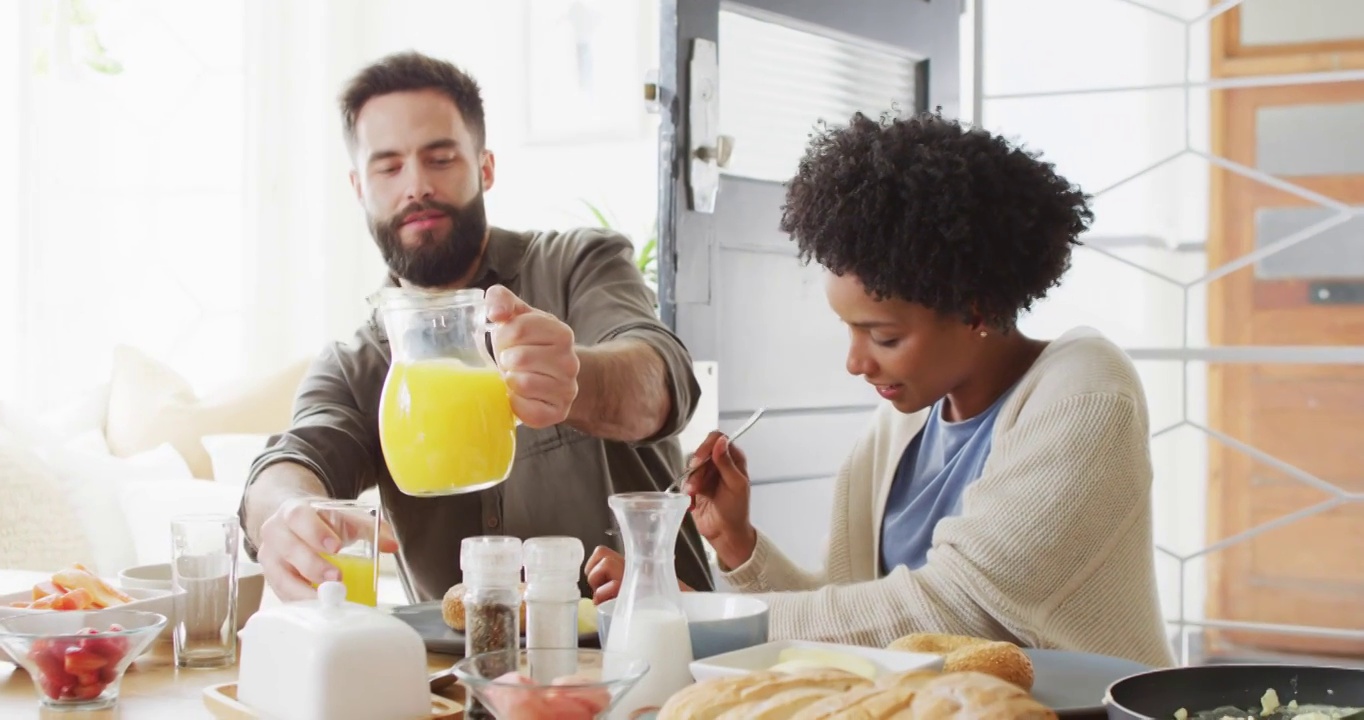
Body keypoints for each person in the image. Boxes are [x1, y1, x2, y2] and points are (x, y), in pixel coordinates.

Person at [587, 110, 1175, 669]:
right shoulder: (901, 429)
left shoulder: (1085, 393)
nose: (854, 362)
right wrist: (739, 546)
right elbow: (858, 615)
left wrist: (700, 616)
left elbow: (954, 608)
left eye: (884, 337)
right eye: (849, 329)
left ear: (976, 309)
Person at [238, 51, 714, 604]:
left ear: (485, 166)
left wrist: (575, 377)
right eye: (388, 167)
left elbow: (662, 380)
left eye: (440, 159)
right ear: (358, 187)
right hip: (465, 678)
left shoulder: (576, 264)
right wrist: (286, 511)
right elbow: (297, 458)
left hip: (651, 642)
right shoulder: (357, 364)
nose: (416, 186)